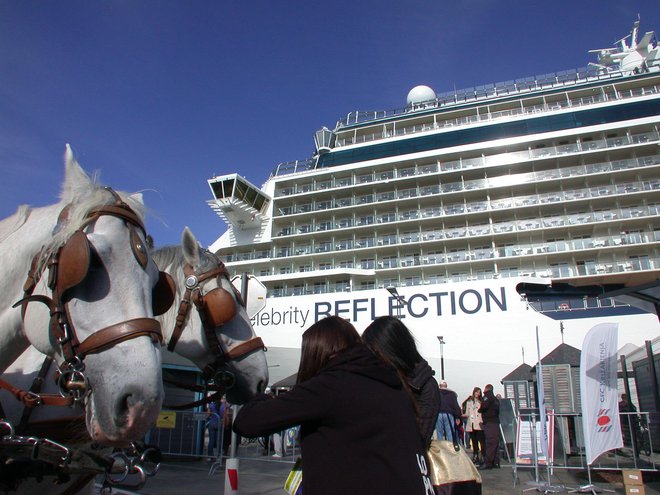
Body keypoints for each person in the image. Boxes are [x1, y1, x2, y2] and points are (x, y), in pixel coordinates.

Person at [233, 316, 433, 495]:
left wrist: (259, 394)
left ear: (316, 353)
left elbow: (247, 422)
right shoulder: (393, 383)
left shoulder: (331, 385)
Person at [362, 315, 441, 447]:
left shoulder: (424, 387)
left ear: (391, 350)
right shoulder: (377, 379)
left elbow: (417, 442)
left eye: (373, 352)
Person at [478, 383, 500, 470]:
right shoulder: (495, 399)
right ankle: (496, 462)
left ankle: (488, 463)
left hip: (489, 422)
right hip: (495, 422)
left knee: (490, 442)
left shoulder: (487, 397)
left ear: (486, 389)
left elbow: (484, 406)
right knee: (495, 442)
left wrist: (480, 410)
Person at [464, 387, 485, 464]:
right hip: (471, 424)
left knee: (481, 441)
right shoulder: (469, 402)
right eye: (476, 392)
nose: (478, 394)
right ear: (474, 392)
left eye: (479, 392)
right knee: (474, 441)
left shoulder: (481, 402)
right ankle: (475, 455)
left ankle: (483, 456)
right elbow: (467, 413)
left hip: (479, 423)